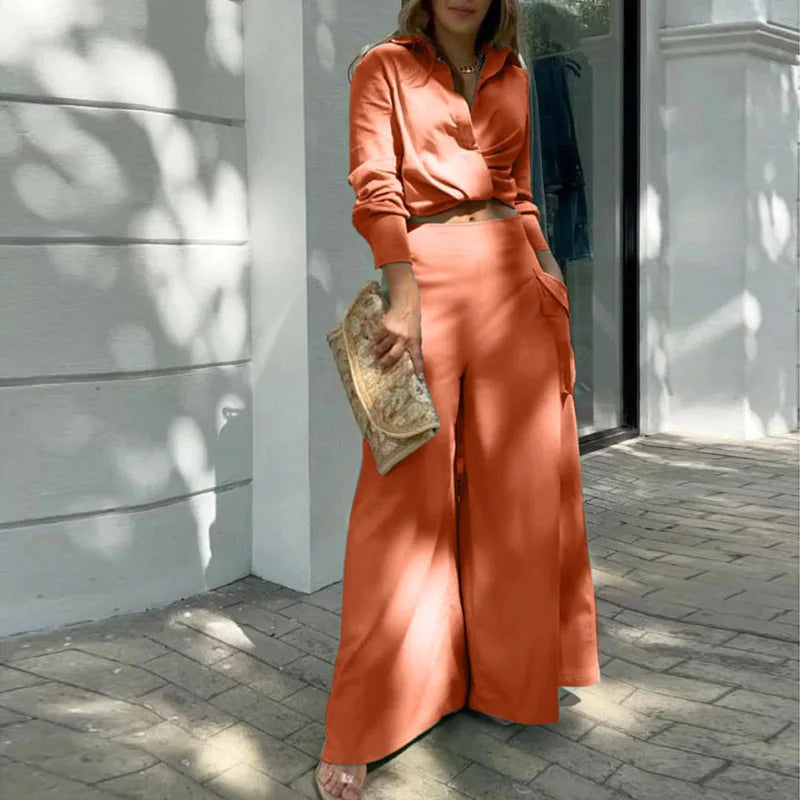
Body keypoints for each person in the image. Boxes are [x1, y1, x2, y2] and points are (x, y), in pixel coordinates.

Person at [315, 2, 600, 798]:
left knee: (517, 492)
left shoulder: (514, 73)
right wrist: (400, 290)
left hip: (516, 276)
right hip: (428, 278)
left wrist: (552, 279)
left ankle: (507, 677)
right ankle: (363, 721)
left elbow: (516, 186)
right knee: (402, 500)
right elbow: (375, 184)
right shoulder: (384, 67)